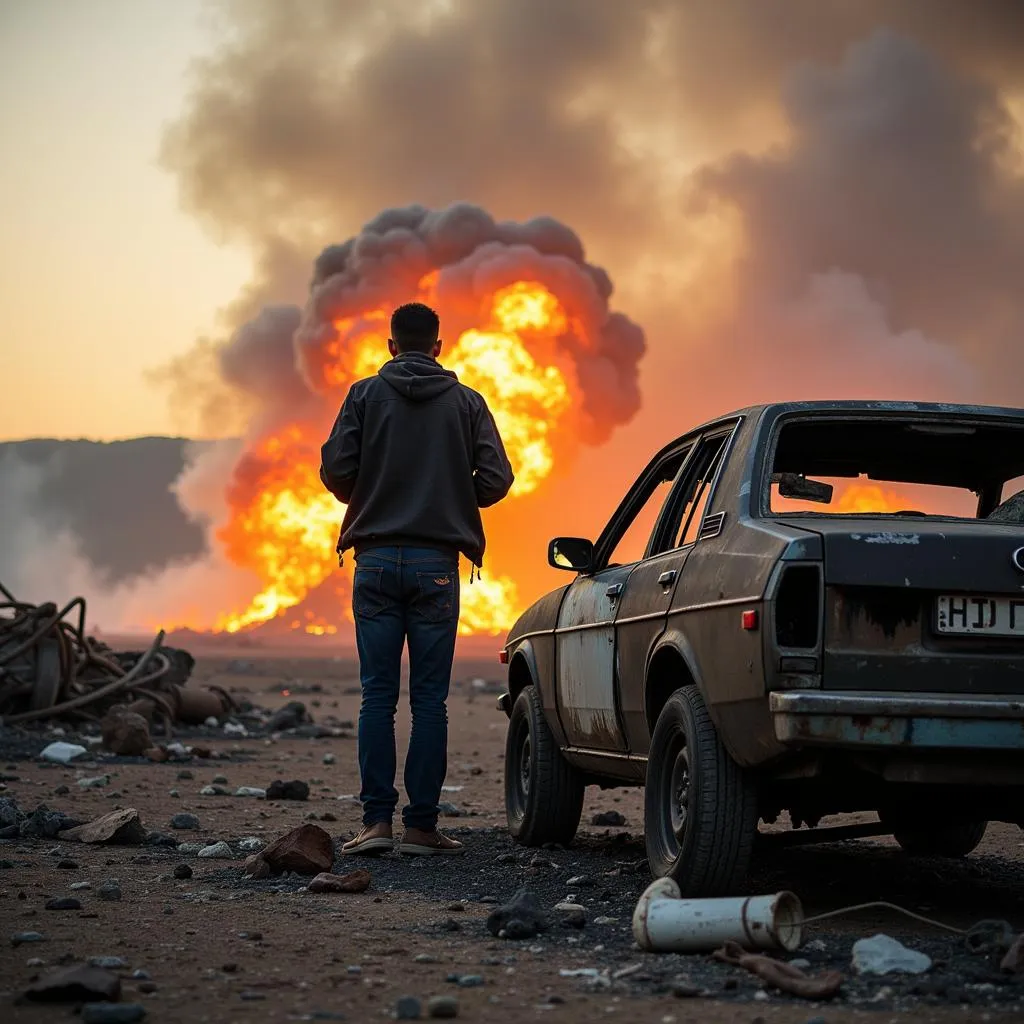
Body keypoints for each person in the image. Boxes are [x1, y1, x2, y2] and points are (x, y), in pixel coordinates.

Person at [319, 302, 514, 856]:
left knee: (376, 697)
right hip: (436, 567)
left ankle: (376, 824)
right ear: (438, 347)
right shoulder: (467, 402)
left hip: (375, 561)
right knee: (430, 701)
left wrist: (369, 492)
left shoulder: (363, 395)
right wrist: (451, 497)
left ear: (389, 345)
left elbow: (335, 469)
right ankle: (422, 829)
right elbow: (497, 477)